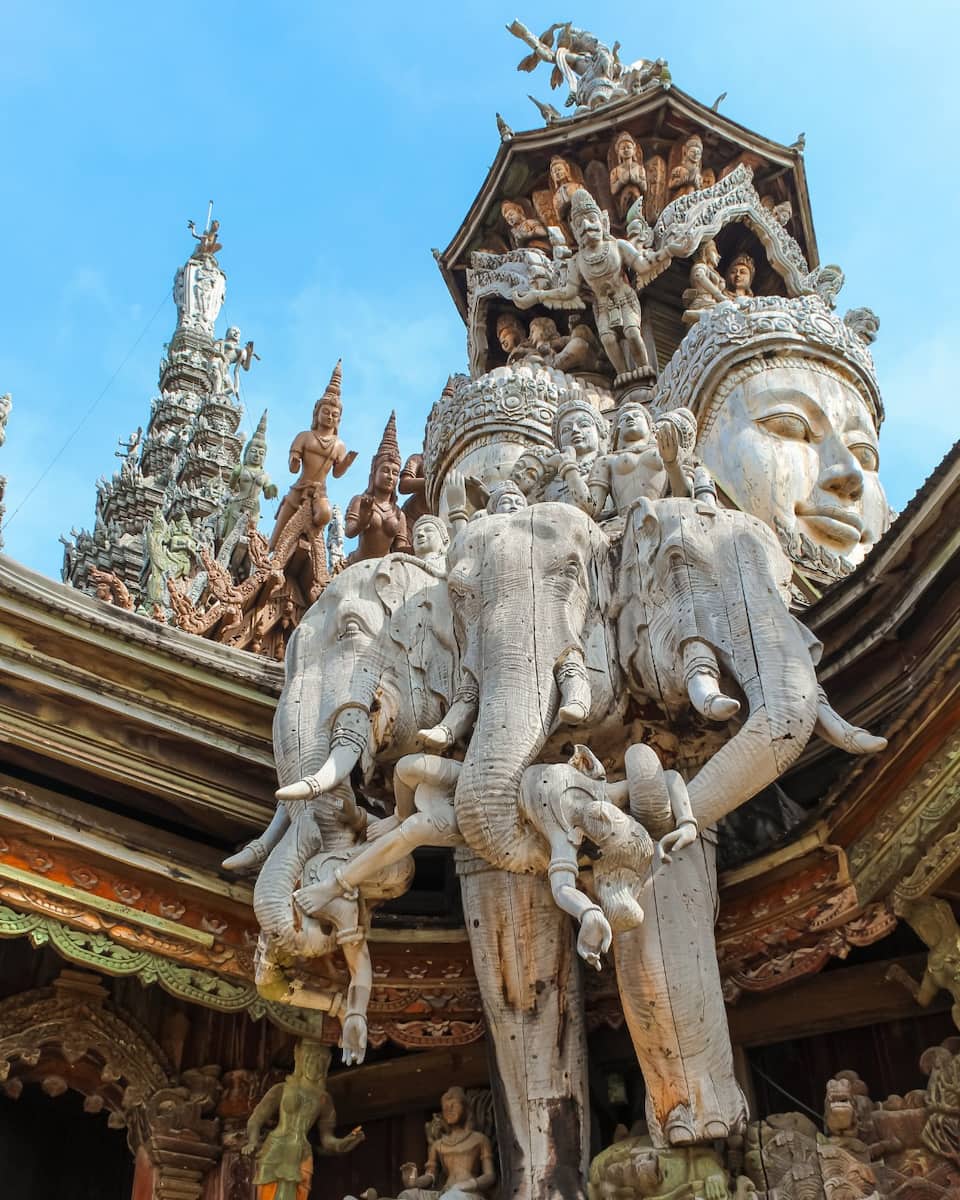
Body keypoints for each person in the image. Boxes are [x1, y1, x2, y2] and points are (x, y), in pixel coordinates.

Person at [514, 188, 669, 380]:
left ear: (603, 222)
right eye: (579, 224)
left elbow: (642, 265)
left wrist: (669, 251)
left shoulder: (617, 246)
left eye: (591, 219)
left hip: (625, 296)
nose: (587, 226)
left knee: (632, 332)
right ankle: (622, 373)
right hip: (602, 304)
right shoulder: (578, 261)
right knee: (607, 339)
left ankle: (644, 367)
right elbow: (569, 291)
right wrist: (537, 296)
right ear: (574, 231)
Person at [243, 1039, 363, 1200]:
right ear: (300, 1058)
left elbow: (327, 1139)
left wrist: (343, 1143)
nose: (315, 1064)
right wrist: (252, 1141)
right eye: (310, 1058)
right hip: (275, 1148)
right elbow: (255, 1120)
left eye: (321, 1060)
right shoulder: (282, 1089)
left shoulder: (323, 1100)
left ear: (326, 1065)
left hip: (302, 1153)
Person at [269, 362, 357, 552]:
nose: (330, 417)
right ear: (316, 414)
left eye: (334, 415)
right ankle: (270, 551)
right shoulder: (305, 437)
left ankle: (307, 531)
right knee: (280, 528)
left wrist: (347, 462)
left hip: (319, 492)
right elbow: (293, 467)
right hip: (300, 487)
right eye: (325, 412)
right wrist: (294, 461)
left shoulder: (339, 445)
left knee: (324, 515)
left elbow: (336, 473)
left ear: (339, 420)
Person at [345, 412, 411, 561]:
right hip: (359, 562)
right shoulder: (360, 500)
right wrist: (364, 518)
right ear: (374, 473)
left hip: (384, 566)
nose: (390, 476)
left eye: (395, 473)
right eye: (385, 470)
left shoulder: (399, 514)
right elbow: (349, 532)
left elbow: (400, 548)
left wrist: (420, 547)